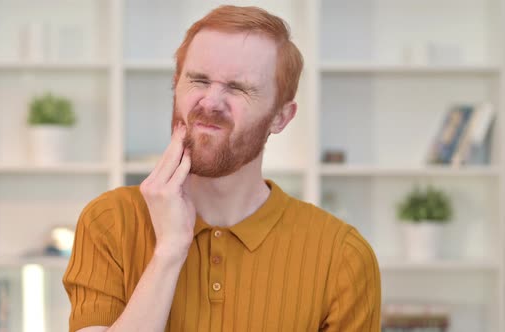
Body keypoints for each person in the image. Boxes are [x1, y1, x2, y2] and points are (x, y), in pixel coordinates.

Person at [63, 5, 381, 332]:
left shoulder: (343, 256)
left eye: (238, 88)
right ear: (176, 86)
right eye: (199, 80)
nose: (211, 102)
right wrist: (169, 252)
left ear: (280, 117)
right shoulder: (110, 222)